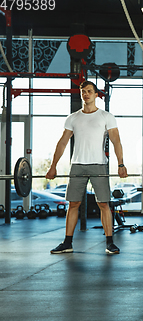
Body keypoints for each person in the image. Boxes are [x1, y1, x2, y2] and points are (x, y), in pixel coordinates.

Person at [46, 80, 128, 254]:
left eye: (89, 91)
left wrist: (121, 164)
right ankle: (67, 243)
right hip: (77, 165)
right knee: (73, 203)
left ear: (96, 94)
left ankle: (109, 242)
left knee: (104, 204)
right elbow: (62, 143)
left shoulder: (106, 116)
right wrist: (53, 166)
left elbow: (116, 141)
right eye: (83, 91)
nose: (86, 94)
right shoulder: (73, 118)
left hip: (99, 165)